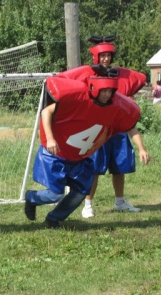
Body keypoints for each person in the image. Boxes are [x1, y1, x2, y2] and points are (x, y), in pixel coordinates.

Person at [24, 68, 149, 228]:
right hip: (57, 154)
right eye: (104, 91)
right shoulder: (76, 98)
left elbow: (130, 126)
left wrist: (141, 148)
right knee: (54, 194)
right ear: (95, 89)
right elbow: (46, 111)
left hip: (80, 158)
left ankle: (54, 218)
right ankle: (32, 198)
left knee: (81, 192)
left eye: (110, 91)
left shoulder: (114, 108)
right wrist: (50, 138)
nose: (107, 95)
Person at [60, 35, 149, 218]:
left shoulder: (119, 77)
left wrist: (141, 148)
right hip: (97, 131)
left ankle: (120, 201)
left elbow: (138, 78)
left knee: (120, 167)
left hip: (117, 130)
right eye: (102, 56)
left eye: (109, 55)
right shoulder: (88, 76)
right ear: (96, 56)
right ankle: (88, 204)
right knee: (94, 170)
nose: (106, 59)